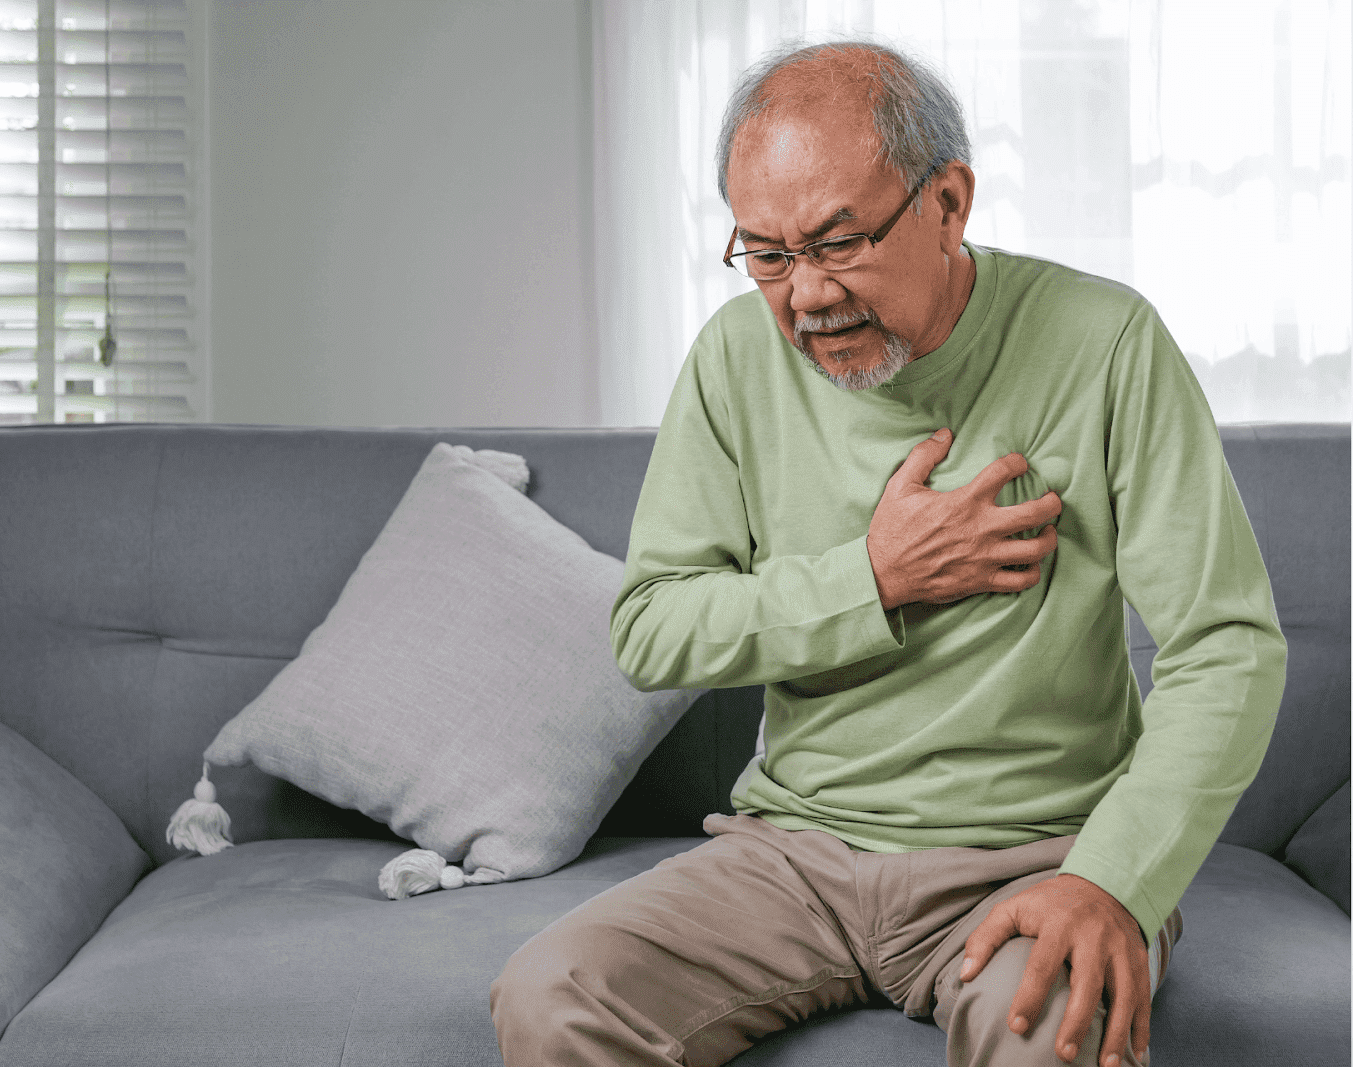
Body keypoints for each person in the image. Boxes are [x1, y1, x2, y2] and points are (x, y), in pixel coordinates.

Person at [491, 38, 1287, 1067]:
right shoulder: (734, 359)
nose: (805, 297)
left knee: (1046, 1040)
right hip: (793, 855)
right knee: (549, 991)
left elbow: (1225, 648)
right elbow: (651, 627)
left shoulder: (1106, 342)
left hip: (1031, 855)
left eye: (837, 242)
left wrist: (1111, 881)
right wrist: (872, 578)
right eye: (766, 255)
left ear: (948, 203)